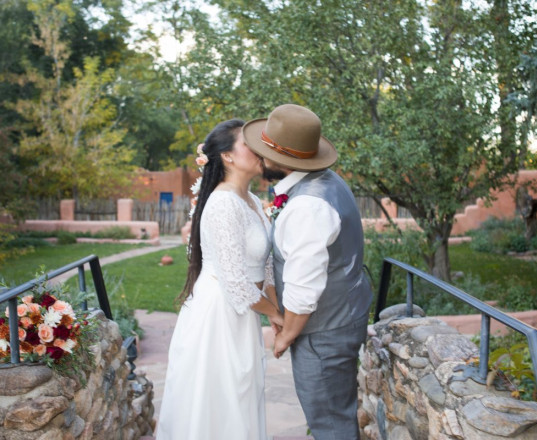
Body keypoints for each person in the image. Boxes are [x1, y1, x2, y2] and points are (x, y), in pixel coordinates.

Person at [243, 104, 373, 440]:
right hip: (341, 318)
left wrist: (286, 335)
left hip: (324, 333)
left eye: (264, 152)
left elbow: (304, 287)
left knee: (330, 423)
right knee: (337, 417)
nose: (259, 158)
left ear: (283, 161)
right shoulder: (325, 182)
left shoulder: (308, 206)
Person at [155, 119, 283, 440]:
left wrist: (274, 310)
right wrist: (278, 316)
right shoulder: (223, 203)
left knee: (242, 398)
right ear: (227, 156)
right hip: (218, 315)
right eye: (248, 144)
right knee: (218, 406)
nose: (258, 150)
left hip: (245, 313)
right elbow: (237, 283)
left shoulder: (252, 201)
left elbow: (264, 265)